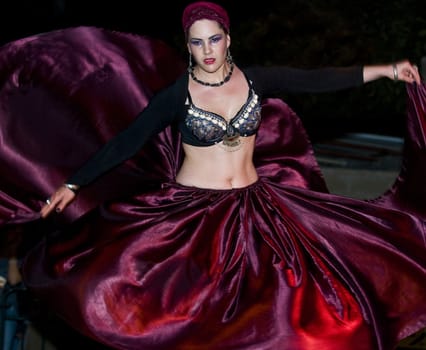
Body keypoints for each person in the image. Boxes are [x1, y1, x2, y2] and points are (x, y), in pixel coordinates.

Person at [1, 1, 425, 350]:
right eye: (197, 42)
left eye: (215, 39)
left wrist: (386, 70)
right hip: (193, 217)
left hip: (256, 210)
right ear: (188, 45)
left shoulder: (256, 79)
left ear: (228, 39)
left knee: (298, 315)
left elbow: (315, 81)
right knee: (186, 319)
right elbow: (125, 142)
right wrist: (73, 184)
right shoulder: (178, 94)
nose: (207, 50)